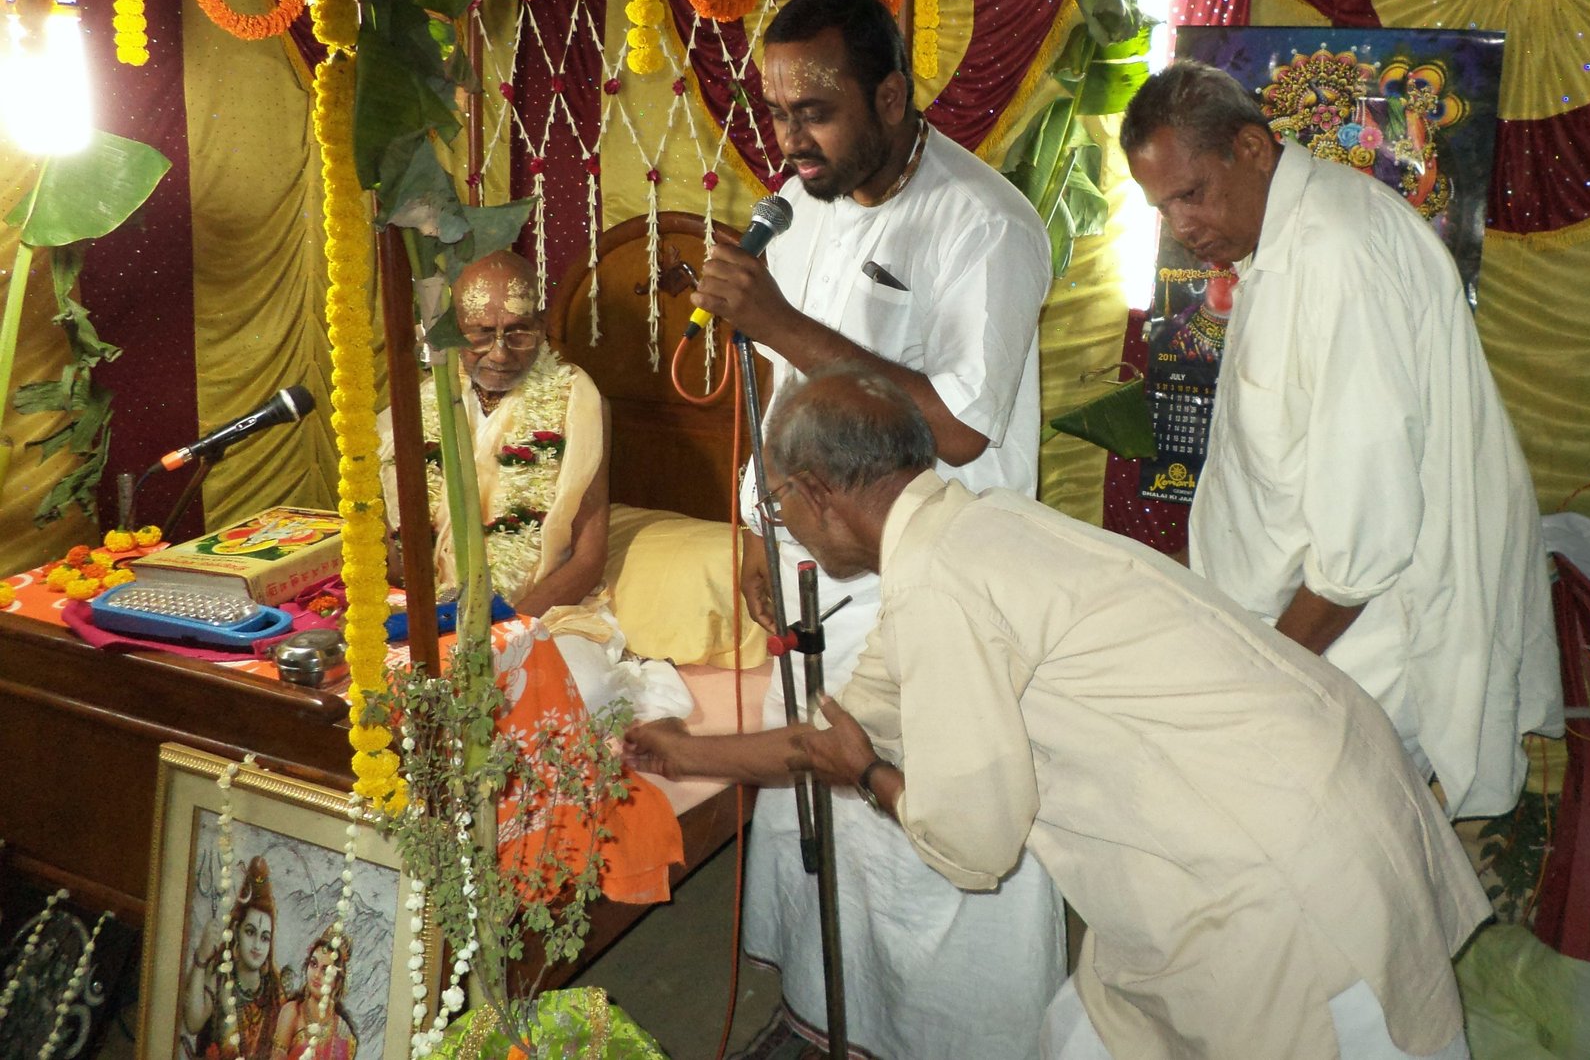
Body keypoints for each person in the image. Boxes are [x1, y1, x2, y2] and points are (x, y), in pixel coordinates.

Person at [627, 367, 1492, 1060]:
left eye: (778, 507)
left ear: (817, 493)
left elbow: (971, 843)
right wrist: (687, 753)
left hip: (1283, 870)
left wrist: (872, 776)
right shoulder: (978, 529)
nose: (787, 529)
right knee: (1083, 1030)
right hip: (1321, 792)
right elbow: (838, 734)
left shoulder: (942, 587)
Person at [687, 0, 1062, 1057]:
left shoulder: (984, 224)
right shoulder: (795, 209)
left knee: (937, 849)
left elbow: (952, 429)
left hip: (936, 592)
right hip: (815, 585)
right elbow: (766, 389)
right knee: (828, 849)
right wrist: (757, 524)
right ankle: (821, 1025)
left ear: (891, 97)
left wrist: (782, 319)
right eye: (776, 113)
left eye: (817, 111)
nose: (790, 139)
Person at [1119, 60, 1563, 819]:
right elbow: (1271, 469)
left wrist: (1260, 675)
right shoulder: (1281, 240)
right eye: (1164, 207)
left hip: (1358, 647)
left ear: (1253, 149)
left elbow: (1365, 543)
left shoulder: (1338, 254)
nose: (1181, 227)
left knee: (1307, 883)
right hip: (1301, 632)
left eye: (1191, 194)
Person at [377, 249, 689, 722]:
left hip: (543, 611)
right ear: (453, 328)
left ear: (542, 327)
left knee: (573, 693)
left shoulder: (577, 400)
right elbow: (396, 539)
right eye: (482, 334)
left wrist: (504, 630)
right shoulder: (423, 400)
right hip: (431, 606)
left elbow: (587, 557)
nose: (500, 354)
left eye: (518, 332)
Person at [182, 855, 284, 1060]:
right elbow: (192, 1023)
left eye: (264, 938)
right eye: (250, 932)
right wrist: (202, 958)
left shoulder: (274, 993)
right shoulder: (221, 981)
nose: (257, 945)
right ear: (236, 931)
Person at [269, 925, 358, 1060]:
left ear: (338, 982)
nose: (316, 975)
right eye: (313, 964)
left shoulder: (343, 1032)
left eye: (325, 971)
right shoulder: (293, 1013)